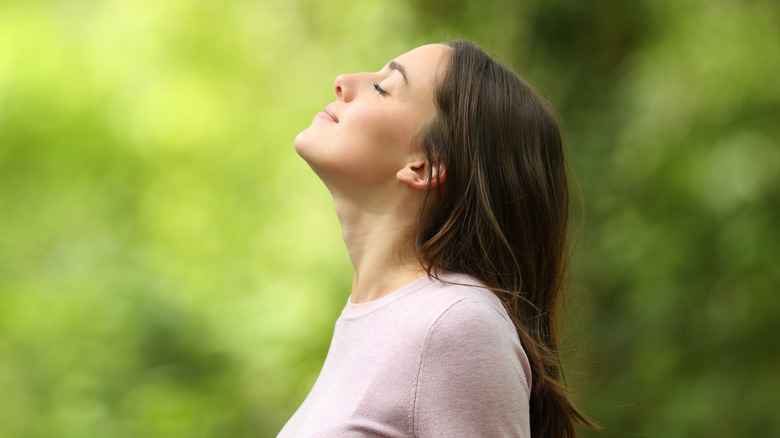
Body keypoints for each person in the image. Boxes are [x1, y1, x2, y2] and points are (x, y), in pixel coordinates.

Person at [279, 40, 596, 437]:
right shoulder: (384, 320)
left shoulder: (455, 325)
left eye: (383, 87)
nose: (343, 82)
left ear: (424, 165)